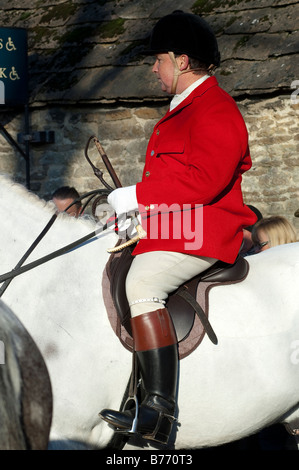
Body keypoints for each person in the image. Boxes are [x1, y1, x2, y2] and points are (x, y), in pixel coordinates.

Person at [99, 10, 257, 444]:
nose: (153, 68)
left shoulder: (216, 109)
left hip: (206, 230)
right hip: (176, 225)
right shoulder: (184, 107)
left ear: (182, 60)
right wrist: (138, 213)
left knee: (142, 284)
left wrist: (138, 196)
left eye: (159, 59)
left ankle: (159, 411)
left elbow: (204, 181)